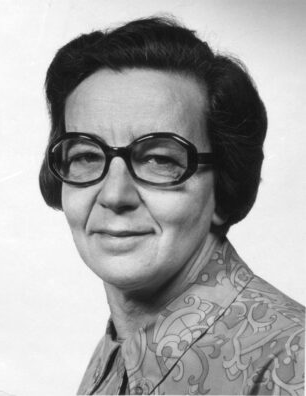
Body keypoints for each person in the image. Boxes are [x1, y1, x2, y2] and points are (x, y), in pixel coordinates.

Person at [39, 17, 304, 395]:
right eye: (86, 155)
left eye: (160, 160)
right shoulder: (116, 354)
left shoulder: (294, 361)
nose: (114, 195)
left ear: (224, 187)